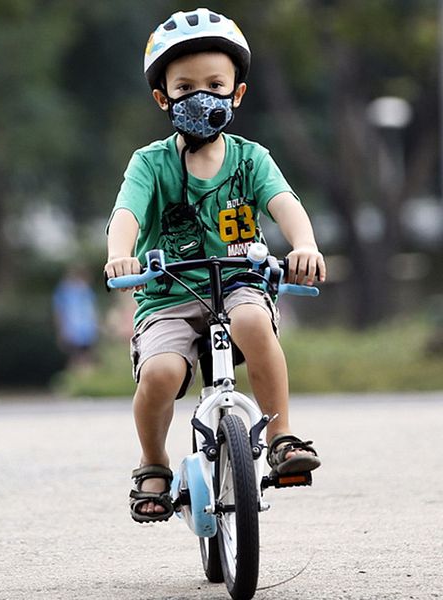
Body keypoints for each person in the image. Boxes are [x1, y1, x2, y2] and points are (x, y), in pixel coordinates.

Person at [104, 8, 327, 523]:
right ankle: (153, 464)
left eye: (214, 83)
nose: (199, 96)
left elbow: (285, 203)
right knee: (159, 372)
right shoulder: (150, 163)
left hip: (240, 282)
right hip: (169, 292)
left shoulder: (251, 159)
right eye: (184, 87)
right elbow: (127, 214)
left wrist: (305, 244)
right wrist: (120, 254)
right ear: (163, 98)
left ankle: (282, 437)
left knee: (252, 319)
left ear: (237, 93)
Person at [53, 268, 99, 369]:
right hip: (73, 330)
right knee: (76, 356)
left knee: (85, 356)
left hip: (86, 330)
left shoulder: (87, 291)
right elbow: (60, 312)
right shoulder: (65, 292)